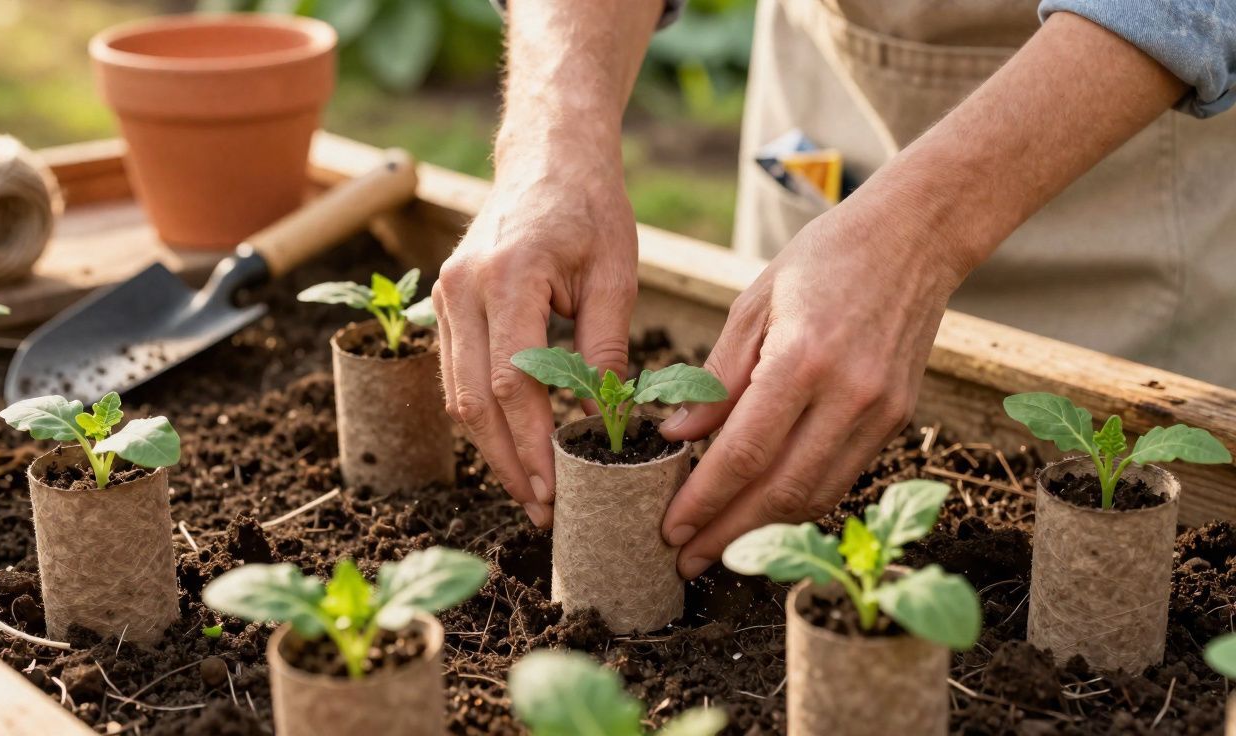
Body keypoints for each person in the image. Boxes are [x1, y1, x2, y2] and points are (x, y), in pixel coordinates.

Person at [431, 0, 1236, 580]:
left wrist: (921, 232)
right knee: (763, 412)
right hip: (834, 99)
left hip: (1116, 153)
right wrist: (552, 127)